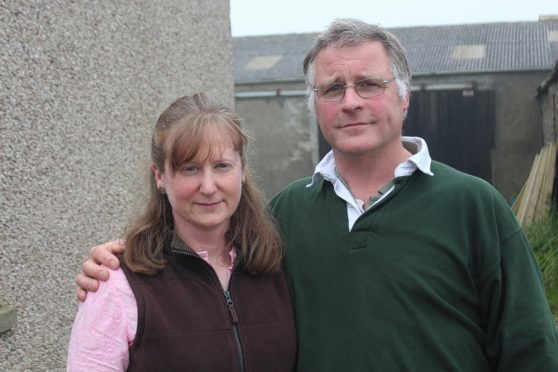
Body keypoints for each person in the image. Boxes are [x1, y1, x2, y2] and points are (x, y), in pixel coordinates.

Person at [76, 19, 558, 371]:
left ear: (404, 96)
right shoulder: (287, 214)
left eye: (368, 84)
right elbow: (208, 262)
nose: (350, 101)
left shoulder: (472, 205)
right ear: (316, 105)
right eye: (332, 89)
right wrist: (118, 260)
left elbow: (530, 350)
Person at [67, 93, 296, 371]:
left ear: (243, 170)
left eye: (222, 166)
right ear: (160, 176)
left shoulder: (276, 266)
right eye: (190, 169)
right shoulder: (118, 283)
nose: (209, 186)